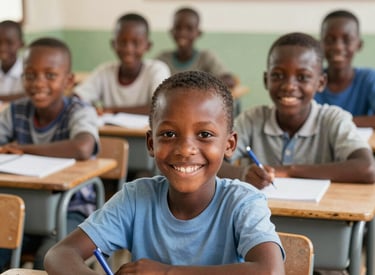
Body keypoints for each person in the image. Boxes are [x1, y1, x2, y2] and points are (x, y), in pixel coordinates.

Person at [44, 71, 285, 275]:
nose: (185, 149)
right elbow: (60, 254)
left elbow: (271, 271)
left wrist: (167, 272)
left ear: (229, 145)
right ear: (151, 143)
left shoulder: (242, 202)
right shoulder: (136, 198)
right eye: (169, 134)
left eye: (204, 135)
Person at [218, 32, 375, 190]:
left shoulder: (333, 119)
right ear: (266, 80)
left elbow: (367, 168)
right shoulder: (251, 119)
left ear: (320, 83)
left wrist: (289, 170)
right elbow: (211, 160)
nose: (289, 86)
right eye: (278, 75)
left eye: (302, 77)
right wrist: (243, 173)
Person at [0, 37, 99, 270]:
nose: (38, 83)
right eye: (30, 75)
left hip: (72, 211)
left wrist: (24, 149)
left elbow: (82, 147)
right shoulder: (15, 111)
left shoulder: (80, 110)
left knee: (48, 258)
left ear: (69, 80)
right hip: (22, 210)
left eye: (50, 75)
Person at [74, 13, 170, 115]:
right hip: (109, 131)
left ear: (148, 46)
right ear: (113, 44)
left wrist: (112, 110)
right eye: (122, 42)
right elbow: (76, 98)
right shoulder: (104, 72)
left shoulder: (157, 70)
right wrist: (88, 108)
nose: (128, 49)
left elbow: (161, 107)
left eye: (136, 43)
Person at [314, 10, 375, 128]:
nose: (338, 47)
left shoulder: (369, 78)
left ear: (359, 44)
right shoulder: (312, 80)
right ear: (320, 44)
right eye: (330, 40)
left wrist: (335, 122)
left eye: (347, 40)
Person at [0, 20, 26, 101]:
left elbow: (29, 97)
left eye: (9, 43)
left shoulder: (27, 70)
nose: (2, 48)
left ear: (21, 44)